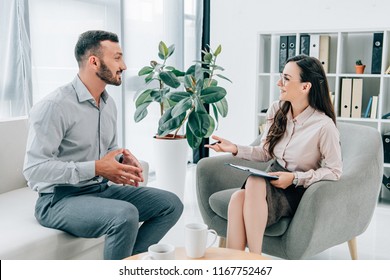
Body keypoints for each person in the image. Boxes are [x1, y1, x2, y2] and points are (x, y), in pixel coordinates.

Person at [23, 30, 183, 260]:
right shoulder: (54, 106)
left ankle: (129, 266)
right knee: (125, 214)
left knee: (171, 204)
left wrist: (119, 160)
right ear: (94, 62)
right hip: (57, 200)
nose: (124, 66)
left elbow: (108, 149)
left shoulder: (109, 104)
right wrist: (97, 168)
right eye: (117, 58)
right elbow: (33, 170)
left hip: (99, 190)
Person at [206, 55, 342, 255]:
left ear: (305, 87)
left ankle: (255, 258)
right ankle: (236, 267)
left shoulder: (324, 126)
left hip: (296, 189)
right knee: (237, 199)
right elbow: (265, 153)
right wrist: (234, 148)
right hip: (271, 178)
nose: (279, 83)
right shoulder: (277, 109)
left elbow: (335, 171)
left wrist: (295, 178)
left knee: (252, 183)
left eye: (286, 78)